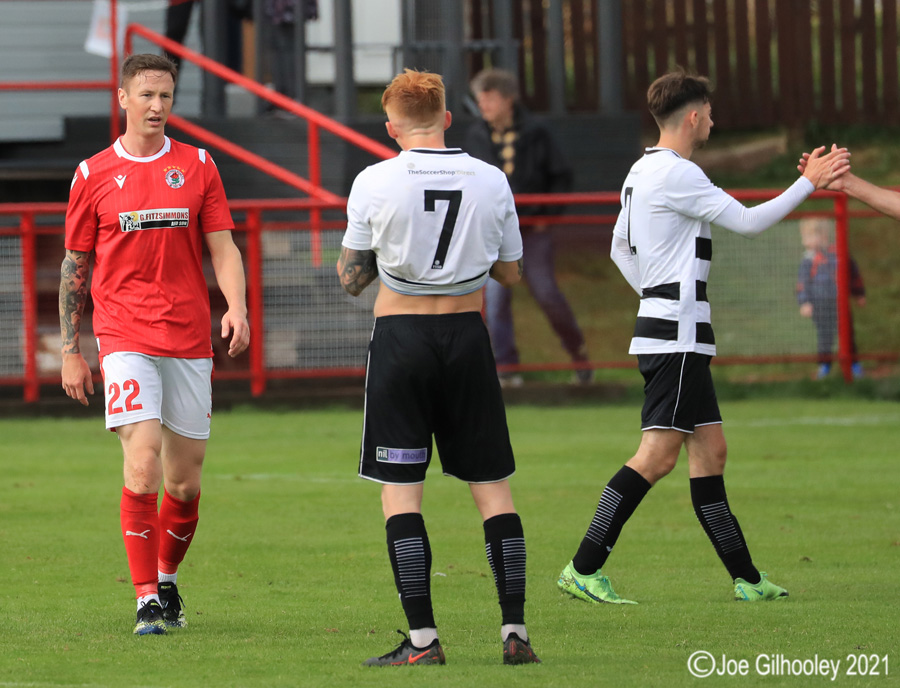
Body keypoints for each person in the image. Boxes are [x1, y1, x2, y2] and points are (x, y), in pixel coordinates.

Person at [556, 70, 850, 605]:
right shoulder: (677, 174)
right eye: (710, 112)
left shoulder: (641, 169)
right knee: (657, 456)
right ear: (693, 117)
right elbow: (751, 221)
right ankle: (582, 567)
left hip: (672, 330)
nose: (713, 120)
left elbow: (620, 251)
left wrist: (654, 296)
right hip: (678, 338)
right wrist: (812, 182)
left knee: (710, 451)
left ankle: (747, 579)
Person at [337, 69, 540, 667]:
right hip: (466, 337)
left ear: (392, 126)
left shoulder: (374, 179)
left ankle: (423, 642)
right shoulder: (492, 178)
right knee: (492, 489)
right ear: (448, 118)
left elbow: (350, 281)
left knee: (402, 495)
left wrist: (394, 252)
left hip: (401, 339)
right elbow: (511, 273)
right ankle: (515, 633)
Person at [59, 53, 250, 636]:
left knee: (183, 483)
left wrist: (236, 307)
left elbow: (222, 246)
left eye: (165, 96)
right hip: (123, 335)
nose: (157, 106)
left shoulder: (198, 165)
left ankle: (166, 578)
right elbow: (75, 265)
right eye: (145, 95)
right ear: (122, 99)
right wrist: (73, 348)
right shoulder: (93, 174)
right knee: (141, 464)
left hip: (189, 336)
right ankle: (144, 599)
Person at [465, 68, 590, 386]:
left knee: (546, 292)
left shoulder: (537, 132)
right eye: (480, 99)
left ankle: (580, 355)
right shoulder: (477, 135)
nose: (484, 105)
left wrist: (548, 215)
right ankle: (506, 369)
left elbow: (561, 175)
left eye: (490, 98)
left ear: (508, 99)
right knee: (494, 299)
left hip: (532, 230)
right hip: (494, 234)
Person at [796, 218, 866, 379]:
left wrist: (859, 293)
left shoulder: (839, 254)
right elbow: (802, 284)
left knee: (848, 334)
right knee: (824, 335)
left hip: (840, 303)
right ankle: (824, 366)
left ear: (823, 236)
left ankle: (853, 364)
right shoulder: (808, 260)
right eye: (804, 237)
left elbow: (853, 274)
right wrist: (804, 302)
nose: (805, 241)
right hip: (820, 305)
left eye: (809, 237)